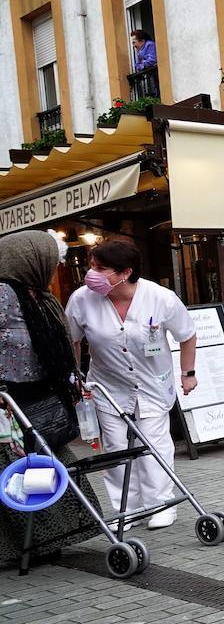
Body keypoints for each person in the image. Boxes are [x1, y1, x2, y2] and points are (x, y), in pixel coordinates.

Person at [65, 240, 196, 529]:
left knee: (154, 443)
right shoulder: (81, 299)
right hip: (107, 386)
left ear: (124, 272)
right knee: (114, 447)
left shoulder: (160, 297)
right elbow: (72, 341)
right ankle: (127, 508)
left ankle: (160, 504)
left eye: (100, 268)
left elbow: (187, 334)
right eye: (92, 266)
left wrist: (188, 372)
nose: (92, 273)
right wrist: (75, 377)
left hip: (152, 384)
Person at [0, 230, 100, 567]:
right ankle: (20, 546)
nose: (55, 268)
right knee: (15, 470)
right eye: (51, 262)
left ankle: (47, 539)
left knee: (47, 464)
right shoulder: (2, 293)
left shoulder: (38, 295)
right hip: (7, 399)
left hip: (39, 396)